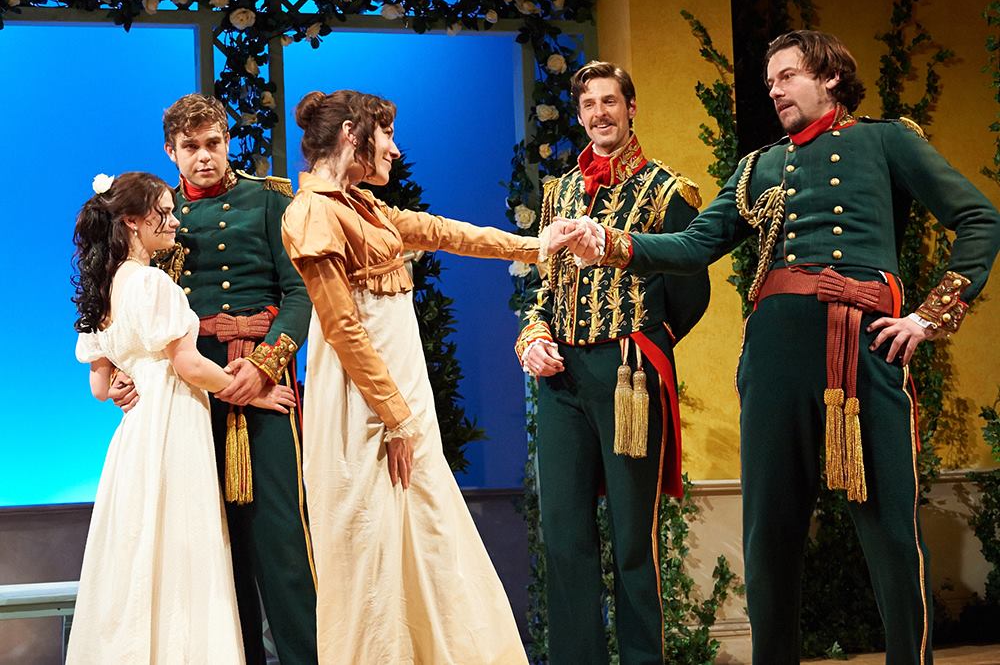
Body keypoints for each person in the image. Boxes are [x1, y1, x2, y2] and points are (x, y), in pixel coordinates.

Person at [553, 30, 1000, 665]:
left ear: (831, 77)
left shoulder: (887, 141)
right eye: (770, 83)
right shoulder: (757, 166)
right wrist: (613, 243)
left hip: (861, 351)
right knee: (768, 536)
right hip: (771, 358)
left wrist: (929, 318)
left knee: (892, 535)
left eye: (788, 76)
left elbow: (979, 218)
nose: (775, 91)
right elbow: (695, 246)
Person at [280, 89, 568, 665]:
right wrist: (394, 417)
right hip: (364, 405)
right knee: (373, 537)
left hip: (402, 397)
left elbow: (446, 232)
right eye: (386, 134)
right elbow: (342, 327)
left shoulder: (363, 206)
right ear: (351, 135)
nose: (394, 148)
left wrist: (536, 246)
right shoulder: (313, 212)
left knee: (425, 523)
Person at [108, 94, 318, 665]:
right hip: (190, 392)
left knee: (282, 538)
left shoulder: (269, 199)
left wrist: (266, 365)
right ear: (170, 152)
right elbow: (136, 305)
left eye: (213, 143)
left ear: (227, 141)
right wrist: (124, 369)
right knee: (212, 544)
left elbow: (299, 293)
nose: (204, 156)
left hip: (265, 379)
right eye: (191, 147)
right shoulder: (160, 215)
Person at [514, 61, 710, 665]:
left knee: (631, 538)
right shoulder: (558, 192)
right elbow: (544, 284)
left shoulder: (668, 191)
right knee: (564, 534)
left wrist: (650, 343)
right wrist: (533, 335)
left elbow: (691, 290)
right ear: (579, 115)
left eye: (609, 101)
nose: (599, 113)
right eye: (589, 104)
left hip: (629, 378)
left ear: (631, 108)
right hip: (562, 379)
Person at [69, 171, 295, 663]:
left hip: (136, 434)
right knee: (181, 543)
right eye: (164, 213)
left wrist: (126, 377)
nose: (175, 222)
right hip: (172, 422)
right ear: (132, 222)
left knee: (140, 544)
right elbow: (188, 365)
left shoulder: (103, 287)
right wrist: (252, 393)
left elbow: (100, 388)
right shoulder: (153, 282)